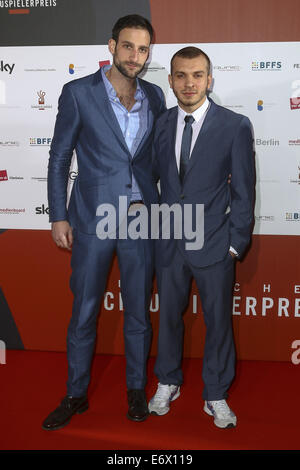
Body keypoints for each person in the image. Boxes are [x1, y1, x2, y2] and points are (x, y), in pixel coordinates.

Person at [42, 14, 166, 431]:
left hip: (140, 219)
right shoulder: (78, 94)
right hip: (93, 220)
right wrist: (58, 214)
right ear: (112, 46)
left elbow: (155, 161)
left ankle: (135, 390)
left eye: (143, 49)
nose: (135, 56)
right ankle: (76, 394)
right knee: (85, 311)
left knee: (138, 313)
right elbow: (60, 157)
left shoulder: (155, 95)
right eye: (128, 46)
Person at [149, 47, 255, 428]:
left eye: (197, 75)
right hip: (169, 243)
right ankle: (168, 381)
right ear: (171, 80)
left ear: (209, 80)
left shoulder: (235, 125)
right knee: (169, 320)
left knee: (218, 322)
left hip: (214, 242)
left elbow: (245, 189)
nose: (189, 83)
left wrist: (234, 242)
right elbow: (152, 181)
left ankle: (215, 393)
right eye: (181, 75)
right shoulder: (160, 123)